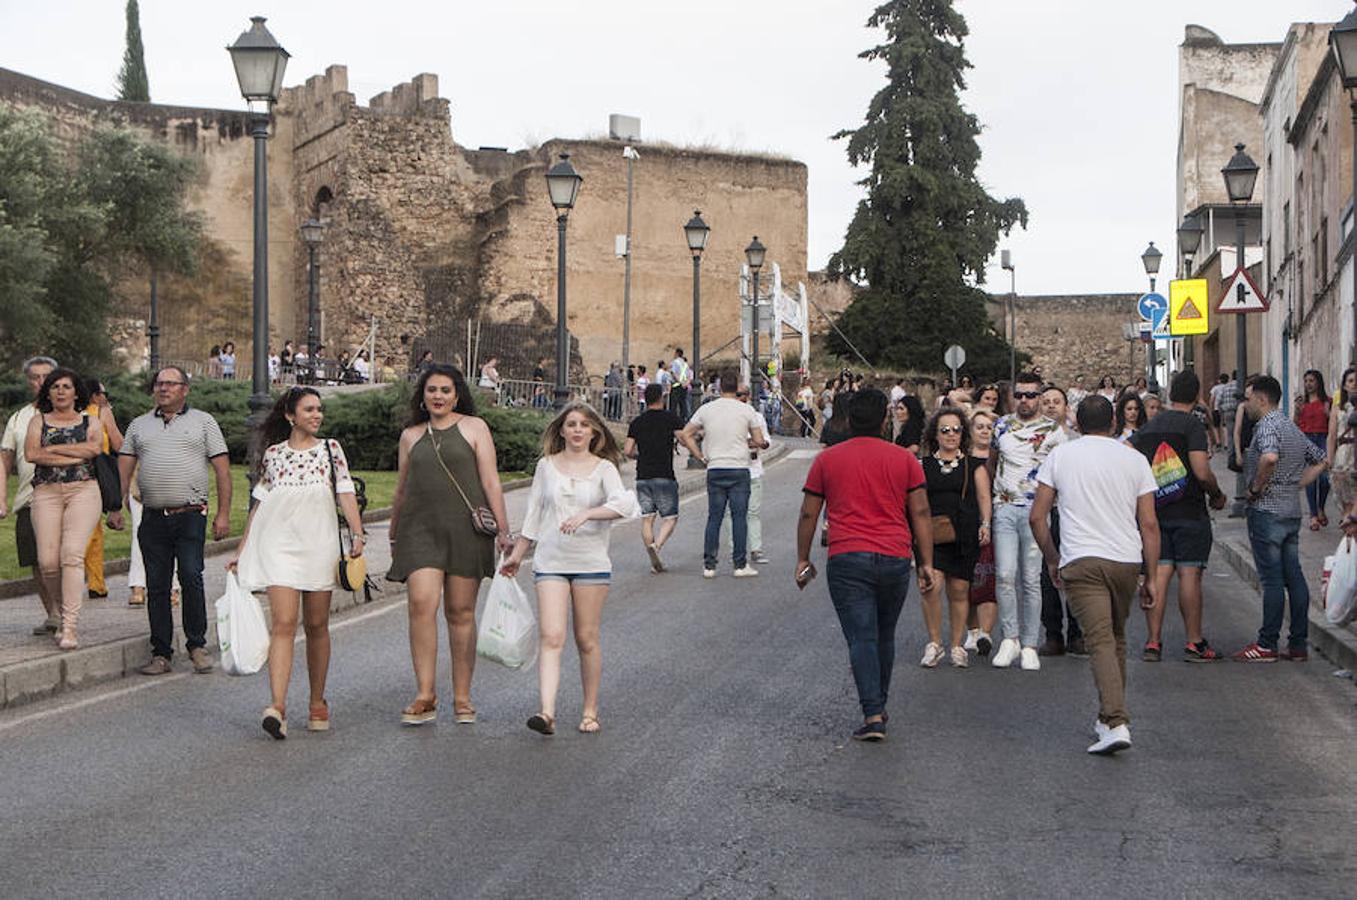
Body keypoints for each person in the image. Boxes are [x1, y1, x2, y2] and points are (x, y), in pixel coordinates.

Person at [796, 388, 936, 741]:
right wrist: (927, 563)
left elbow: (809, 512)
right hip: (894, 555)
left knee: (861, 637)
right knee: (884, 634)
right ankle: (879, 705)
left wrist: (802, 558)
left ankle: (873, 712)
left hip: (847, 557)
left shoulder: (827, 460)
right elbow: (920, 512)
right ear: (885, 419)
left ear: (845, 420)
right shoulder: (904, 460)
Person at [230, 387, 366, 739]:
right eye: (309, 410)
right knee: (284, 623)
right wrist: (242, 550)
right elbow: (259, 503)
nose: (317, 415)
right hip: (279, 545)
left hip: (319, 544)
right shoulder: (273, 454)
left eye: (319, 409)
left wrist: (357, 533)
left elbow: (345, 491)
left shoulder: (330, 449)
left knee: (317, 625)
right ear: (291, 415)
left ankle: (317, 701)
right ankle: (277, 706)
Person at [1030, 394, 1160, 755]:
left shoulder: (1061, 455)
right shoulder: (1135, 459)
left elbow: (1037, 517)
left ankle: (1116, 721)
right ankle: (1107, 717)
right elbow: (1149, 523)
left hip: (1081, 559)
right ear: (1114, 423)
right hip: (1125, 560)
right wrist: (1151, 576)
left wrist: (1053, 559)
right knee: (1114, 637)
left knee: (1100, 640)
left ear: (1077, 423)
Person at [501, 403, 638, 736]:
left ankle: (590, 710)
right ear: (561, 430)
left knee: (586, 639)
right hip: (550, 562)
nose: (577, 430)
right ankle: (546, 712)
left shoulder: (604, 468)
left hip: (591, 563)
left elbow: (624, 504)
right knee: (552, 636)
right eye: (571, 424)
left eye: (584, 425)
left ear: (595, 432)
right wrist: (518, 555)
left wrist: (588, 514)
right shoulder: (546, 467)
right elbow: (534, 515)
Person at [387, 364, 513, 724]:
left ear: (457, 395)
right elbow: (400, 490)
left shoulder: (475, 428)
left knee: (460, 613)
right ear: (422, 396)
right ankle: (425, 694)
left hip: (465, 530)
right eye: (432, 390)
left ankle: (462, 696)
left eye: (445, 390)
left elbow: (491, 482)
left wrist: (504, 531)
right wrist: (393, 533)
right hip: (419, 530)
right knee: (421, 604)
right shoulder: (410, 436)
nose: (438, 396)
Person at [112, 367, 232, 675]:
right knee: (157, 585)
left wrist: (223, 514)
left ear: (185, 390)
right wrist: (115, 506)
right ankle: (161, 653)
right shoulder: (139, 426)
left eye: (171, 384)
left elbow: (222, 471)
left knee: (191, 576)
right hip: (152, 517)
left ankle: (196, 645)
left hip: (190, 514)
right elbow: (124, 467)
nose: (163, 388)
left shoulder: (204, 422)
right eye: (159, 384)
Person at [1129, 370, 1228, 663]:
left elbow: (1127, 451)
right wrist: (1217, 493)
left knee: (1158, 574)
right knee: (1189, 574)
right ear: (1197, 396)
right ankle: (1194, 643)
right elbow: (1200, 470)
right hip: (1189, 511)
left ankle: (1153, 642)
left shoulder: (1151, 426)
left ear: (1171, 394)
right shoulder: (1192, 426)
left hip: (1155, 514)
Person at [1233, 375, 1328, 662]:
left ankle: (1267, 643)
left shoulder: (1267, 426)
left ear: (1262, 399)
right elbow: (1321, 458)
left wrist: (1255, 487)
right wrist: (1297, 483)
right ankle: (1298, 644)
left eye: (1248, 398)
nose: (1245, 404)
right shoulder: (1290, 425)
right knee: (1294, 576)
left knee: (1272, 579)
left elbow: (1270, 457)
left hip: (1268, 511)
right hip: (1290, 511)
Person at [988, 372, 1068, 670]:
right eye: (1019, 395)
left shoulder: (1054, 431)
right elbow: (992, 463)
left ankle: (1031, 643)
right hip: (1005, 508)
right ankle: (1010, 639)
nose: (1024, 400)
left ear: (1039, 396)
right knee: (1005, 575)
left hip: (1038, 511)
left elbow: (1062, 472)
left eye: (1030, 395)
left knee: (1032, 579)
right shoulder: (1002, 426)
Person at [25, 369, 106, 650]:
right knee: (47, 561)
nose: (60, 391)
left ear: (76, 392)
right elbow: (32, 454)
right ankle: (59, 613)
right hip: (46, 492)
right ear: (48, 392)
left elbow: (94, 449)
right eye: (55, 386)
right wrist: (75, 452)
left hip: (84, 490)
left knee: (71, 554)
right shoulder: (38, 422)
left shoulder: (91, 421)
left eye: (66, 386)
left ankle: (70, 626)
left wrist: (55, 453)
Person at [918, 406, 990, 668]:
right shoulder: (922, 465)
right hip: (931, 535)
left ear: (963, 434)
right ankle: (934, 643)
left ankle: (957, 645)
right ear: (935, 434)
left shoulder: (975, 466)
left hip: (964, 533)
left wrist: (986, 524)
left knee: (960, 589)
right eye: (945, 430)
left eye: (956, 430)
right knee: (931, 585)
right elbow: (915, 501)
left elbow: (983, 497)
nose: (951, 434)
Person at [682, 370, 770, 578]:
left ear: (720, 388)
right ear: (737, 387)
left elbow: (686, 433)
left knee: (715, 517)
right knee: (740, 517)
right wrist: (759, 443)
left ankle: (709, 565)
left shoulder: (706, 409)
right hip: (739, 467)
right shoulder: (747, 410)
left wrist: (700, 456)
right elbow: (758, 440)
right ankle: (740, 565)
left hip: (715, 467)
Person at [1, 356, 61, 636]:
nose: (39, 382)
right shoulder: (19, 417)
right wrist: (2, 498)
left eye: (45, 377)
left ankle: (66, 612)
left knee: (58, 559)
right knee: (35, 560)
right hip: (28, 498)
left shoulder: (72, 413)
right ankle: (53, 613)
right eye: (34, 378)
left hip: (64, 497)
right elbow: (5, 461)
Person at [625, 383, 701, 573]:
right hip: (664, 474)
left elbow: (627, 450)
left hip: (642, 475)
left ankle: (653, 554)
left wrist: (638, 457)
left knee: (647, 519)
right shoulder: (670, 419)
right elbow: (684, 438)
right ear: (661, 398)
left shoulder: (637, 422)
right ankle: (656, 547)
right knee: (670, 518)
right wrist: (697, 447)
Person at [1036, 386, 1083, 657]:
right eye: (1046, 402)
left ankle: (1076, 633)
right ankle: (1053, 633)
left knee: (1074, 571)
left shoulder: (1076, 440)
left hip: (1070, 512)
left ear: (1066, 407)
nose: (1051, 406)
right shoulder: (1032, 439)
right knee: (1047, 574)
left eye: (1057, 402)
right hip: (1043, 512)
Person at [81, 379, 123, 599]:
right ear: (95, 395)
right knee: (93, 533)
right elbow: (118, 444)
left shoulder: (71, 413)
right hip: (97, 478)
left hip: (76, 478)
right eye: (104, 393)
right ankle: (96, 584)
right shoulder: (101, 412)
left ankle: (94, 583)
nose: (106, 397)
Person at [721, 386, 771, 565]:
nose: (741, 398)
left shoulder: (756, 417)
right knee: (731, 512)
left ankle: (756, 549)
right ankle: (735, 547)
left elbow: (766, 440)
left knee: (753, 511)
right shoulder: (727, 418)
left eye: (743, 395)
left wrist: (758, 444)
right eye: (738, 395)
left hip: (753, 469)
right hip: (733, 468)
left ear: (748, 397)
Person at [963, 409, 999, 656]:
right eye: (980, 426)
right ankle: (972, 630)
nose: (985, 430)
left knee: (989, 578)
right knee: (964, 580)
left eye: (989, 427)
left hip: (996, 522)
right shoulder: (962, 459)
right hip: (965, 522)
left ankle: (985, 632)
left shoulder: (1001, 458)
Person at [1295, 369, 1331, 531]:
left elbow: (1333, 422)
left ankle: (1321, 507)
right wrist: (1297, 410)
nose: (1308, 384)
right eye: (1306, 381)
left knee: (1324, 478)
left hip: (1323, 438)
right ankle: (1313, 515)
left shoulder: (1327, 402)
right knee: (1311, 480)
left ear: (1318, 382)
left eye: (1311, 381)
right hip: (1307, 439)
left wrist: (1329, 413)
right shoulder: (1302, 402)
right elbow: (1296, 423)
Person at [1327, 368, 1357, 527]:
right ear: (1344, 386)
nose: (1354, 384)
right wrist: (1329, 460)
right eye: (1350, 381)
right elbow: (1332, 435)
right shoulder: (1338, 408)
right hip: (1343, 455)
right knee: (1345, 501)